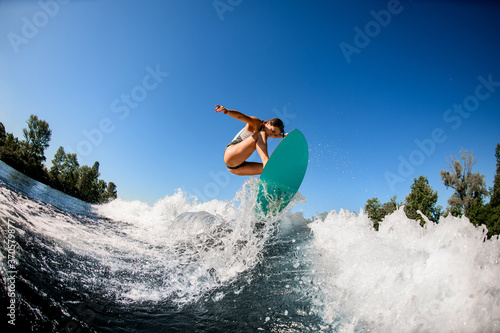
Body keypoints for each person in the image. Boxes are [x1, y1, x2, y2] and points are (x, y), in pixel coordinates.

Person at [215, 105, 286, 176]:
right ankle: (266, 161)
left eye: (275, 134)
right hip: (231, 153)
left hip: (235, 168)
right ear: (268, 123)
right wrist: (227, 111)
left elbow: (275, 136)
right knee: (261, 134)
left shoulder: (266, 134)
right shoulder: (256, 123)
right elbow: (241, 116)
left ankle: (274, 185)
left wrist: (283, 136)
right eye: (272, 131)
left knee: (268, 170)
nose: (271, 134)